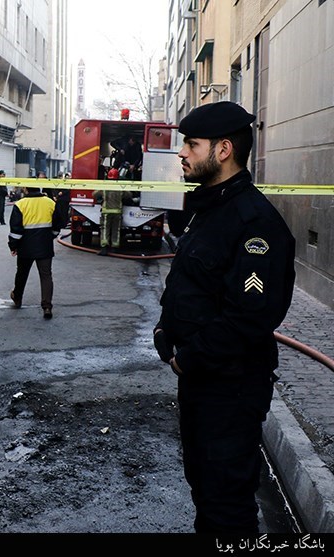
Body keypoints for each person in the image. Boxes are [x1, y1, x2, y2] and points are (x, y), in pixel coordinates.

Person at [152, 101, 296, 534]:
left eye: (191, 145)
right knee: (205, 489)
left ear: (223, 150)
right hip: (202, 382)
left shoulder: (255, 223)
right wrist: (165, 329)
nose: (182, 153)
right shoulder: (209, 210)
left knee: (226, 505)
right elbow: (191, 284)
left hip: (230, 387)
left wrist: (188, 357)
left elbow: (249, 317)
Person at [9, 184, 64, 319]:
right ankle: (47, 307)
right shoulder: (50, 203)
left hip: (25, 246)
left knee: (22, 273)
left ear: (26, 189)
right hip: (44, 245)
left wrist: (13, 246)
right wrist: (52, 236)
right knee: (46, 276)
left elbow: (16, 229)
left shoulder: (20, 204)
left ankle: (17, 297)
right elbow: (58, 223)